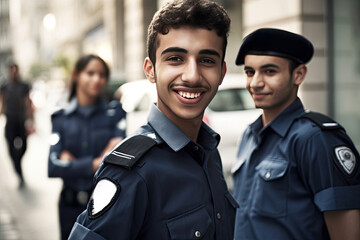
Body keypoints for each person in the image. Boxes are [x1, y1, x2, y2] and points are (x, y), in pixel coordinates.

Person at [68, 0, 237, 239]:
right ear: (150, 70)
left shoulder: (209, 151)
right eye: (176, 58)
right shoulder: (131, 173)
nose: (192, 75)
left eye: (207, 60)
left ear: (221, 72)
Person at [232, 28, 360, 240]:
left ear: (298, 74)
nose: (255, 83)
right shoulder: (249, 135)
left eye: (269, 71)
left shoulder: (316, 139)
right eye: (249, 72)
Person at [48, 54, 126, 240]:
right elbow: (53, 166)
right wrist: (97, 162)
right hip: (70, 206)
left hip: (106, 206)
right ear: (76, 75)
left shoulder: (115, 113)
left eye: (102, 74)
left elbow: (117, 163)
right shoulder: (61, 118)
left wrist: (73, 164)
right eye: (90, 73)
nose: (97, 79)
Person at [0, 63, 34, 188]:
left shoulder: (24, 86)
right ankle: (20, 175)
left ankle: (17, 163)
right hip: (10, 121)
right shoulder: (4, 86)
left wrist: (30, 120)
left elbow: (28, 103)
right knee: (10, 151)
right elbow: (2, 103)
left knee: (24, 147)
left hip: (21, 121)